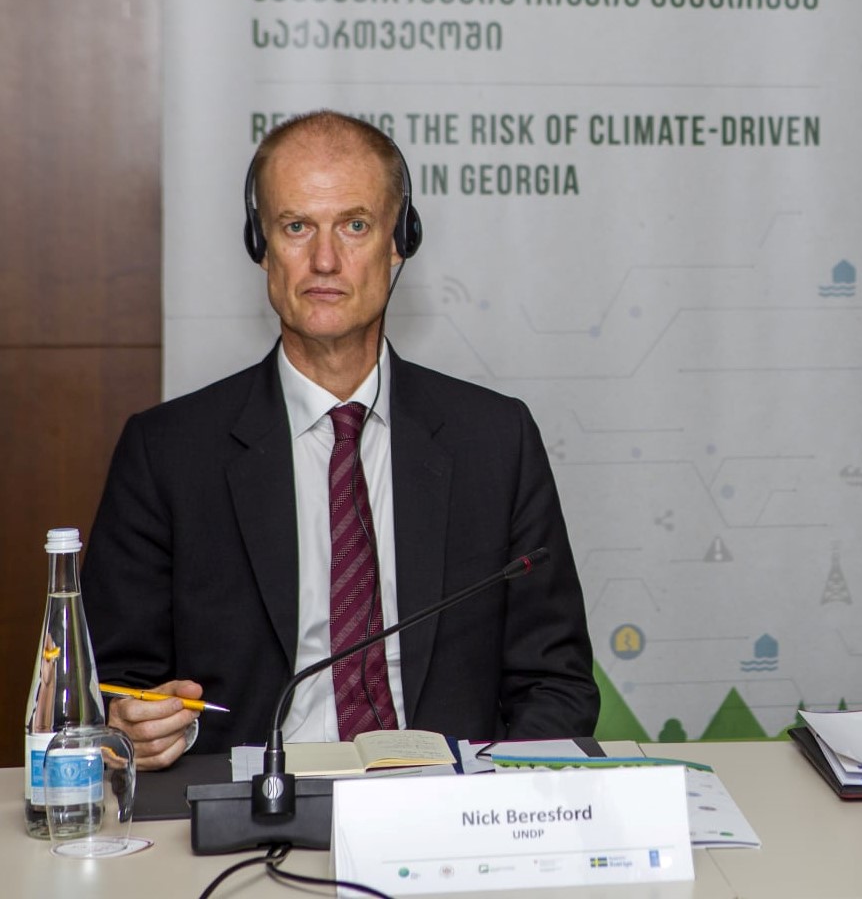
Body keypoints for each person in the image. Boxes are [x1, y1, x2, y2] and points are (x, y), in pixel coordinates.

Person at [82, 111, 599, 767]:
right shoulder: (166, 453)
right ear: (260, 245)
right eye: (296, 226)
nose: (324, 260)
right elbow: (110, 687)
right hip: (253, 801)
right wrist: (135, 723)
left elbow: (556, 684)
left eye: (354, 226)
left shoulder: (495, 440)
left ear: (399, 241)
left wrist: (487, 791)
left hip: (449, 799)